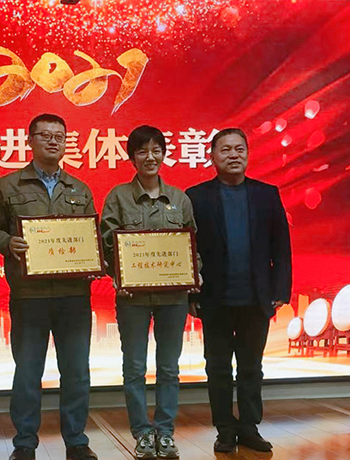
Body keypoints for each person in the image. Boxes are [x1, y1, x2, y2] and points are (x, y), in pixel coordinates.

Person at [0, 114, 99, 460]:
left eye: (59, 136)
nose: (53, 141)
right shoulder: (8, 186)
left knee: (76, 372)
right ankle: (24, 443)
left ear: (66, 143)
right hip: (29, 296)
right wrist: (7, 242)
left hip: (73, 295)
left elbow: (91, 238)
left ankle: (76, 441)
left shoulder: (80, 189)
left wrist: (95, 260)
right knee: (28, 372)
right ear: (30, 140)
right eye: (45, 135)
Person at [185, 128, 292, 453]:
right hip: (214, 299)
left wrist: (280, 290)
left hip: (256, 298)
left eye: (239, 149)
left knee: (251, 368)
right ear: (212, 157)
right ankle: (224, 430)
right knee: (217, 368)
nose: (233, 155)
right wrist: (192, 294)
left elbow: (281, 246)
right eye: (226, 149)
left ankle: (249, 428)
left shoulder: (266, 194)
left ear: (247, 154)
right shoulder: (196, 196)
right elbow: (188, 249)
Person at [100, 125, 200, 459]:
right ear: (132, 157)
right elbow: (106, 245)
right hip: (133, 299)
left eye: (157, 150)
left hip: (174, 298)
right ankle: (142, 433)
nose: (150, 157)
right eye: (142, 151)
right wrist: (121, 275)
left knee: (169, 368)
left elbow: (192, 246)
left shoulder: (180, 199)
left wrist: (194, 274)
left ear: (164, 154)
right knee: (134, 368)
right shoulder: (118, 197)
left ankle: (165, 432)